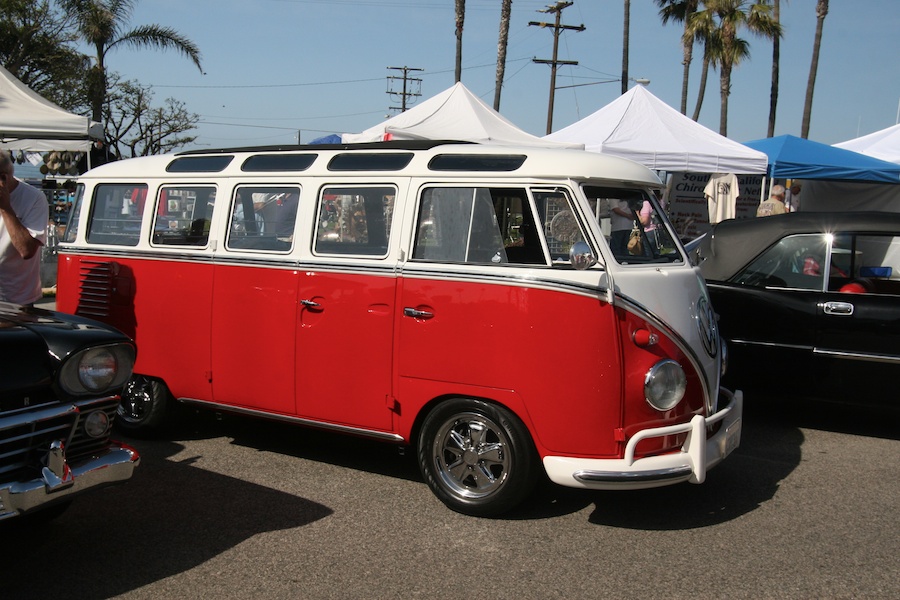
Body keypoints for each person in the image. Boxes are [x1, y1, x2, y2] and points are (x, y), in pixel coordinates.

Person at [0, 151, 48, 306]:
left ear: (4, 179)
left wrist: (6, 209)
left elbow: (26, 250)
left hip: (16, 299)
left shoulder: (34, 198)